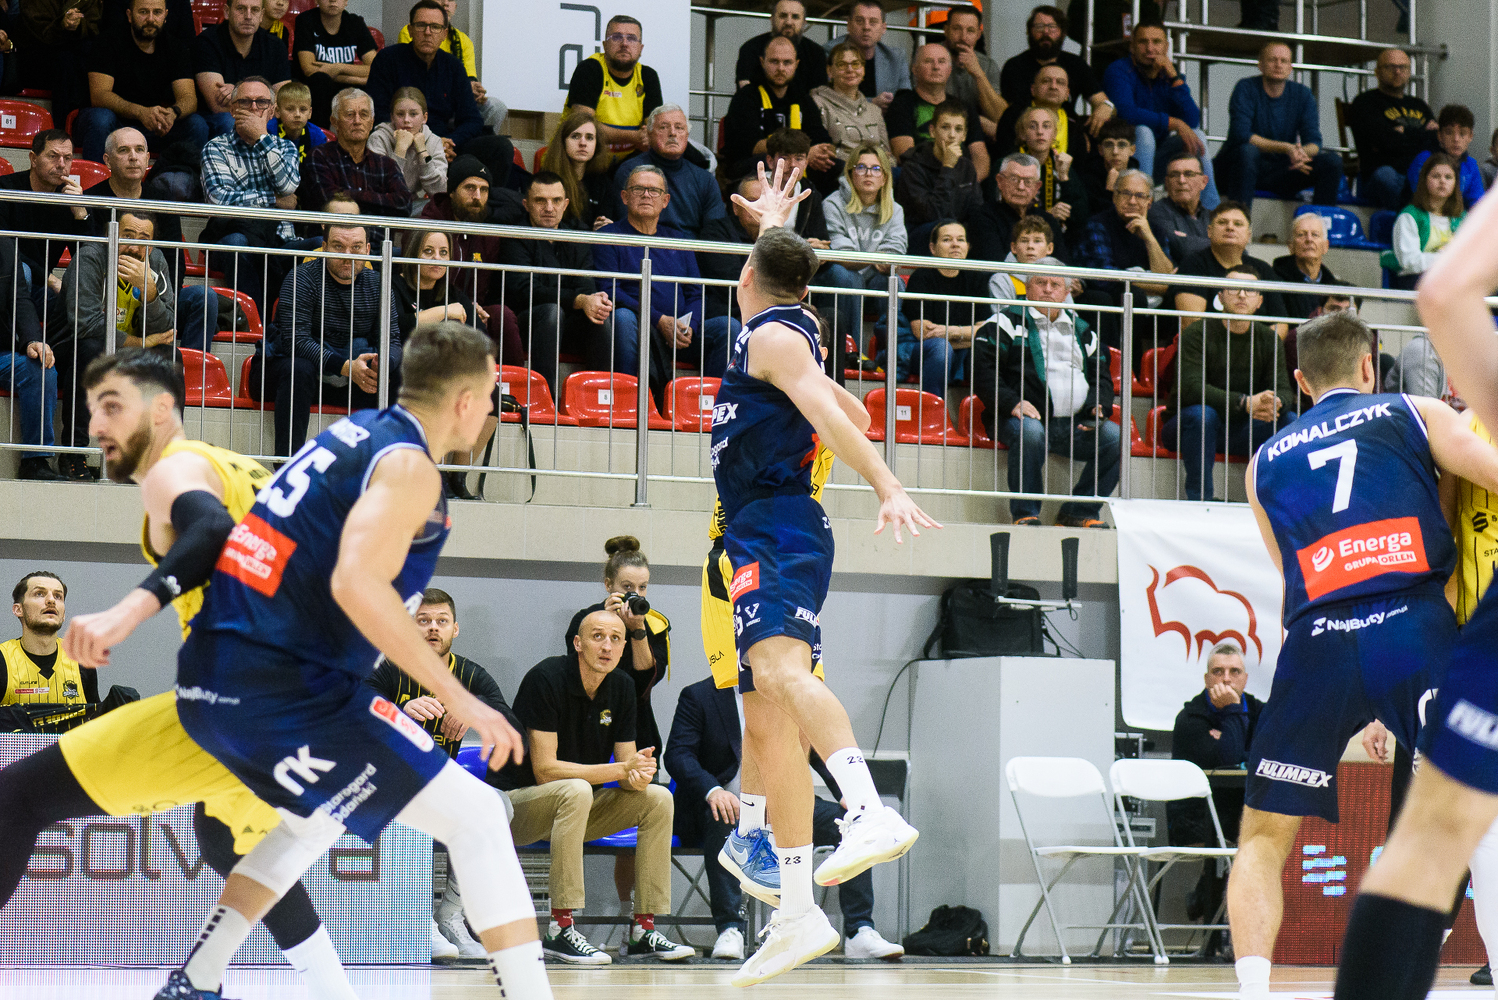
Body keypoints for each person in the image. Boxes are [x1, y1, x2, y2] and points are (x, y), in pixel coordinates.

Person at [147, 323, 555, 1000]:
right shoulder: (410, 467)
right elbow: (357, 583)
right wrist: (461, 697)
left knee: (316, 817)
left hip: (212, 680)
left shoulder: (352, 431)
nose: (494, 410)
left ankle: (198, 977)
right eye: (491, 396)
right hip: (285, 686)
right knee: (481, 816)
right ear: (463, 401)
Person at [0, 350, 361, 1000]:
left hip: (244, 702)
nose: (95, 427)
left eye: (112, 407)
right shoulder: (247, 471)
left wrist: (127, 611)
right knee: (226, 840)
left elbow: (212, 529)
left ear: (163, 408)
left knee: (17, 797)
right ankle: (325, 989)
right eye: (91, 411)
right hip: (308, 704)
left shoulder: (174, 469)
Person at [1230, 308, 1498, 1000]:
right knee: (1477, 807)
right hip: (1411, 622)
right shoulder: (1411, 411)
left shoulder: (1263, 463)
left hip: (1317, 636)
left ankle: (1253, 989)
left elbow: (1289, 574)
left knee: (1262, 838)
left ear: (1300, 381)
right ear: (1370, 365)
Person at [710, 162, 930, 986]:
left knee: (779, 677)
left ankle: (866, 810)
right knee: (766, 722)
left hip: (778, 525)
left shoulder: (774, 338)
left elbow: (845, 425)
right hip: (755, 531)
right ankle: (798, 910)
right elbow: (854, 403)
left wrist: (887, 484)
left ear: (751, 280)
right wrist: (772, 220)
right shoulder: (777, 324)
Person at [492, 609, 693, 965]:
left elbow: (626, 769)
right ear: (578, 643)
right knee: (575, 789)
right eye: (598, 636)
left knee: (658, 798)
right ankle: (560, 929)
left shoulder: (623, 686)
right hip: (517, 809)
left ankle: (643, 930)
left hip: (577, 811)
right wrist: (621, 769)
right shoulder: (546, 678)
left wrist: (639, 774)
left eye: (616, 639)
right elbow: (545, 771)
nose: (607, 646)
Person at [665, 676, 904, 962]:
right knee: (725, 818)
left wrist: (847, 793)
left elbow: (817, 750)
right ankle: (731, 929)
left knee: (848, 822)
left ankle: (859, 930)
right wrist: (713, 790)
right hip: (727, 803)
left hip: (786, 804)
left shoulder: (787, 692)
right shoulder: (699, 695)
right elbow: (678, 754)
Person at [365, 587, 523, 960]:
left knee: (497, 806)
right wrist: (398, 711)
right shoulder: (386, 668)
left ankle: (450, 915)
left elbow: (514, 728)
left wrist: (474, 709)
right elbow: (352, 715)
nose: (433, 628)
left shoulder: (470, 674)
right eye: (423, 621)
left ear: (455, 629)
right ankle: (418, 919)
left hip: (441, 785)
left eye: (441, 621)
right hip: (383, 783)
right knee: (413, 807)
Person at [562, 537, 672, 929]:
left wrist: (636, 629)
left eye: (642, 588)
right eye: (627, 587)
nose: (635, 595)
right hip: (592, 730)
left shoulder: (654, 622)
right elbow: (580, 671)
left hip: (637, 727)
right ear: (609, 585)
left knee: (639, 821)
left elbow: (647, 676)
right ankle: (567, 917)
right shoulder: (587, 620)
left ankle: (637, 919)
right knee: (576, 808)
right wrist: (610, 621)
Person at [244, 217, 411, 455]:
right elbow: (296, 341)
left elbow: (392, 340)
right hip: (287, 373)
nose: (347, 255)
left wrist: (381, 365)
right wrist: (345, 367)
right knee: (299, 369)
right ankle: (288, 465)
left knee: (398, 372)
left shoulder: (378, 285)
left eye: (356, 247)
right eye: (338, 246)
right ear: (324, 248)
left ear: (367, 250)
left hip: (348, 377)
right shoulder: (302, 277)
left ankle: (387, 463)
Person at [973, 264, 1118, 528]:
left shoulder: (1083, 329)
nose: (1048, 290)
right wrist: (1012, 403)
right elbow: (982, 371)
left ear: (1066, 292)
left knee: (1115, 438)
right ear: (1028, 288)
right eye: (1041, 283)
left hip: (1074, 424)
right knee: (1029, 431)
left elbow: (1101, 377)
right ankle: (1025, 512)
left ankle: (1079, 511)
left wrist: (1098, 405)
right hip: (1017, 418)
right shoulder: (1004, 322)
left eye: (1055, 285)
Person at [1160, 269, 1296, 502]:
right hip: (1188, 427)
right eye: (1234, 288)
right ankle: (1200, 500)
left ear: (1259, 301)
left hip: (1241, 430)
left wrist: (1273, 402)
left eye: (1250, 290)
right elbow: (1191, 388)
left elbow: (1284, 390)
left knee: (1289, 420)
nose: (1242, 295)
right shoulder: (1197, 333)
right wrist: (1245, 403)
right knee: (1203, 415)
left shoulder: (1268, 339)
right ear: (1220, 297)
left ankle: (1281, 504)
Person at [593, 165, 718, 388]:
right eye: (638, 189)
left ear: (665, 200)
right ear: (624, 197)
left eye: (654, 191)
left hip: (680, 333)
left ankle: (715, 403)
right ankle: (627, 397)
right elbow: (610, 289)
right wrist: (659, 320)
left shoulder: (678, 240)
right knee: (623, 317)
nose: (646, 195)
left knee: (726, 327)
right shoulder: (608, 236)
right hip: (637, 328)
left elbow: (696, 293)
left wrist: (690, 326)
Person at [366, 0, 514, 188]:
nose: (428, 32)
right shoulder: (388, 59)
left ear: (444, 34)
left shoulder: (453, 66)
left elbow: (472, 119)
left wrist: (448, 143)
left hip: (445, 144)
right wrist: (422, 142)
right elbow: (377, 113)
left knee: (500, 147)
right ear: (410, 30)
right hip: (399, 140)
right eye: (421, 25)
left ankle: (486, 204)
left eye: (435, 27)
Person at [1169, 643, 1263, 926]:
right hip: (1197, 817)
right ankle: (1217, 910)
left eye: (1235, 672)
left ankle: (1214, 899)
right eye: (1218, 672)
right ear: (1207, 679)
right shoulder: (1190, 719)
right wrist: (1233, 711)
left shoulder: (1260, 712)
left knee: (1267, 832)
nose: (1226, 679)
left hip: (1243, 811)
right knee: (1246, 840)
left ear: (1245, 679)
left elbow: (1266, 757)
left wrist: (1232, 746)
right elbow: (1230, 761)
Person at [198, 77, 305, 319]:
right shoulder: (215, 148)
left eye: (262, 102)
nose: (254, 108)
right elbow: (219, 200)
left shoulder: (286, 147)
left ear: (272, 111)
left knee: (320, 246)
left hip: (280, 241)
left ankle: (296, 327)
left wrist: (261, 139)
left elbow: (288, 185)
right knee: (238, 243)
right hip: (234, 237)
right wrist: (273, 200)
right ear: (233, 110)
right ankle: (255, 323)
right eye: (245, 102)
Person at [498, 172, 609, 395]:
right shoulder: (514, 236)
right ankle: (543, 397)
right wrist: (578, 299)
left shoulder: (576, 237)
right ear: (526, 204)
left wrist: (593, 300)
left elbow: (586, 286)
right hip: (527, 323)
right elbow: (524, 290)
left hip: (567, 324)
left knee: (599, 315)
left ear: (565, 204)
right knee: (551, 311)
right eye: (540, 200)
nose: (549, 208)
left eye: (556, 200)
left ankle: (600, 397)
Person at [418, 157, 527, 367]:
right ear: (452, 191)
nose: (477, 196)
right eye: (470, 188)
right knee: (458, 319)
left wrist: (474, 307)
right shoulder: (427, 226)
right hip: (432, 307)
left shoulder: (488, 233)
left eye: (484, 190)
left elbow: (488, 289)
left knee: (502, 316)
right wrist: (463, 306)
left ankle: (515, 382)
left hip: (472, 307)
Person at [1102, 20, 1219, 207]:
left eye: (1156, 42)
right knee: (1143, 132)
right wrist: (1173, 122)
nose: (1150, 48)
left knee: (1197, 135)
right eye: (1143, 42)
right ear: (1132, 47)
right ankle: (1142, 205)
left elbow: (1192, 120)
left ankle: (1211, 211)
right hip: (1124, 163)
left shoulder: (1169, 74)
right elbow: (1127, 113)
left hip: (1158, 162)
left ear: (1166, 47)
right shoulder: (1118, 70)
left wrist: (1175, 77)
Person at [75, 0, 208, 162]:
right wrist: (141, 112)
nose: (150, 19)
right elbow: (99, 96)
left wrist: (172, 114)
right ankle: (96, 176)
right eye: (143, 12)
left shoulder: (176, 47)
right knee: (101, 118)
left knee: (197, 124)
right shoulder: (107, 42)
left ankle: (177, 174)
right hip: (114, 124)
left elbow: (189, 98)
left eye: (157, 12)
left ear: (165, 15)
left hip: (153, 125)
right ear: (129, 15)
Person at [1216, 42, 1341, 211]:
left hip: (1281, 169)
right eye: (1272, 60)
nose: (1278, 65)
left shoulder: (1303, 94)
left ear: (1290, 68)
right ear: (1260, 65)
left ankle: (1319, 222)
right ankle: (1240, 219)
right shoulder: (1245, 87)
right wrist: (1287, 148)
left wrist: (1300, 154)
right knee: (1248, 151)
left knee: (1332, 162)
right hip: (1238, 168)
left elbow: (1314, 142)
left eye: (1284, 61)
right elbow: (1242, 134)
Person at [1072, 168, 1174, 358]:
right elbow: (1104, 277)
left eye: (1140, 196)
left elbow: (1167, 280)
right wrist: (1154, 284)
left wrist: (1149, 239)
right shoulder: (1098, 224)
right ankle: (1124, 366)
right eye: (1126, 193)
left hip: (1139, 299)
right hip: (1098, 294)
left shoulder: (1155, 231)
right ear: (1114, 197)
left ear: (1149, 201)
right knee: (1132, 295)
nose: (1132, 201)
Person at [823, 143, 906, 353]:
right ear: (851, 174)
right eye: (861, 167)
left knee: (894, 282)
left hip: (873, 280)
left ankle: (891, 355)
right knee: (847, 276)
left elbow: (896, 250)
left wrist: (879, 260)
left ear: (884, 177)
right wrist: (877, 258)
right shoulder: (833, 204)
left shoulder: (895, 209)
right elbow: (842, 255)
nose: (869, 174)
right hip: (842, 281)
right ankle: (852, 353)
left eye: (876, 169)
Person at [721, 36, 837, 186]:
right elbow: (752, 145)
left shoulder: (803, 98)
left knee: (835, 166)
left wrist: (823, 151)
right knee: (769, 161)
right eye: (774, 62)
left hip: (796, 161)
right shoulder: (746, 97)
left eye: (787, 62)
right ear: (762, 62)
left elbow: (822, 138)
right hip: (750, 168)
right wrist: (805, 152)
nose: (781, 68)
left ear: (796, 64)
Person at [2, 572, 99, 731]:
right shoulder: (3, 659)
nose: (51, 600)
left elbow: (94, 724)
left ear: (63, 614)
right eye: (39, 594)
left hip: (67, 748)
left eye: (58, 596)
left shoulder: (81, 660)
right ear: (18, 609)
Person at [394, 0, 506, 137]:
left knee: (496, 106)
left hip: (456, 100)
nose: (446, 3)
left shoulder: (463, 40)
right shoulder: (414, 31)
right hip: (422, 100)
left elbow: (470, 77)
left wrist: (475, 89)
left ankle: (466, 140)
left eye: (450, 0)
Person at [1170, 202, 1289, 332]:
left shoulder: (1263, 269)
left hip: (1255, 345)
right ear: (1209, 231)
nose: (1230, 227)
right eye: (1222, 222)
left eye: (1238, 224)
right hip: (1206, 344)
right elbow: (1192, 323)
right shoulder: (1193, 264)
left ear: (1248, 235)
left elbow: (1280, 324)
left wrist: (1262, 344)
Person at [899, 220, 984, 398]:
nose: (955, 244)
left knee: (985, 350)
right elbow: (923, 332)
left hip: (961, 352)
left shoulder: (976, 279)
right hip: (920, 351)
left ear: (967, 246)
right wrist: (967, 336)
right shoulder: (921, 278)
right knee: (940, 347)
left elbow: (985, 332)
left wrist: (949, 332)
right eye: (947, 239)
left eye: (960, 240)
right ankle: (932, 410)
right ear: (933, 248)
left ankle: (980, 412)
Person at [563, 13, 662, 164]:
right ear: (604, 45)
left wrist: (646, 137)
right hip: (582, 161)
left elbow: (652, 131)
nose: (624, 44)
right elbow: (584, 127)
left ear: (640, 48)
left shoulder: (648, 76)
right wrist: (634, 137)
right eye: (616, 37)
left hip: (627, 164)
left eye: (631, 38)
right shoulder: (590, 69)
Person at [614, 105, 726, 238]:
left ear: (687, 135)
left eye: (679, 128)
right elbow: (627, 226)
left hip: (690, 249)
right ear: (649, 134)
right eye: (663, 127)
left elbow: (716, 233)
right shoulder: (630, 171)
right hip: (644, 246)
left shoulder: (705, 180)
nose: (672, 133)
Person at [302, 87, 413, 218]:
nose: (357, 121)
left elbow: (404, 204)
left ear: (371, 123)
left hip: (376, 232)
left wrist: (349, 194)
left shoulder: (386, 164)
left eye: (364, 114)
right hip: (334, 230)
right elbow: (327, 199)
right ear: (334, 122)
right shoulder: (319, 156)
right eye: (350, 115)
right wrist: (380, 200)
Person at [1347, 48, 1436, 210]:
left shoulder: (1419, 105)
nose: (1397, 72)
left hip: (1418, 175)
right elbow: (1385, 141)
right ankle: (1413, 212)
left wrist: (1405, 132)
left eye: (1403, 67)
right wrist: (1422, 135)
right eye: (1390, 67)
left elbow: (1436, 139)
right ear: (1377, 72)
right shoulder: (1365, 102)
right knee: (1386, 176)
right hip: (1383, 179)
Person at [999, 5, 1112, 132]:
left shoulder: (1076, 64)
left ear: (1062, 33)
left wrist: (1105, 107)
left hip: (1068, 128)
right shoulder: (1014, 66)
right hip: (1027, 130)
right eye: (1039, 27)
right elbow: (1006, 112)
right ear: (1029, 31)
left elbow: (1101, 100)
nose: (1046, 32)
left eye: (1052, 27)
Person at [887, 44, 989, 181]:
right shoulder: (901, 105)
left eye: (941, 62)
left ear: (949, 70)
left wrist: (967, 184)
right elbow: (905, 155)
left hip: (962, 182)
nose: (936, 67)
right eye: (928, 61)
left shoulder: (965, 107)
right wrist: (943, 180)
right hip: (921, 182)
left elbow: (980, 157)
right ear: (914, 69)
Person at [0, 237, 57, 483]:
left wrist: (34, 340)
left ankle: (35, 460)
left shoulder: (5, 248)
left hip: (1, 353)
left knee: (40, 368)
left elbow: (21, 301)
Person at [193, 0, 292, 137]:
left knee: (288, 122)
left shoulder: (276, 46)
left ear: (261, 15)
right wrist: (263, 102)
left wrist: (236, 92)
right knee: (229, 121)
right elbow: (217, 105)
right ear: (227, 12)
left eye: (255, 10)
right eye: (241, 8)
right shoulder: (207, 42)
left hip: (262, 117)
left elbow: (284, 101)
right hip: (216, 118)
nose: (248, 16)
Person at [893, 100, 982, 245]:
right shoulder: (913, 166)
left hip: (955, 236)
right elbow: (933, 214)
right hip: (920, 235)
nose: (952, 135)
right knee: (948, 231)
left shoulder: (967, 167)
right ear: (932, 131)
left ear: (964, 135)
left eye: (958, 129)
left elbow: (975, 211)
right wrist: (947, 168)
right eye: (945, 127)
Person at [1380, 152, 1464, 291]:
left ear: (1455, 184)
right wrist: (1447, 259)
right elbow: (1409, 262)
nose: (1442, 181)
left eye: (1448, 177)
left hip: (1454, 280)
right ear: (1424, 180)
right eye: (1436, 176)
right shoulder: (1409, 216)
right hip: (1417, 281)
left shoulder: (1462, 218)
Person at [967, 152, 1064, 263]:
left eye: (1028, 182)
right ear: (1000, 181)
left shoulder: (1047, 220)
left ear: (1037, 187)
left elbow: (1063, 265)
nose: (1020, 187)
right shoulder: (983, 217)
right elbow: (994, 265)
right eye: (1014, 179)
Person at [291, 0, 376, 127]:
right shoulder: (306, 20)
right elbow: (309, 69)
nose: (333, 0)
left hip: (345, 85)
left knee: (376, 85)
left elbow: (376, 68)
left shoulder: (355, 22)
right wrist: (359, 79)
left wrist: (338, 68)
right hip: (315, 88)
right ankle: (320, 135)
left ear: (346, 1)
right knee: (321, 80)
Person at [1012, 105, 1088, 245]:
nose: (1040, 132)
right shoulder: (1010, 166)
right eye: (1033, 126)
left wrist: (1064, 178)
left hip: (1058, 241)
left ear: (1055, 134)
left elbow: (1081, 217)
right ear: (1022, 134)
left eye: (1046, 126)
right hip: (1020, 241)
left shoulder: (1063, 165)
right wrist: (1047, 215)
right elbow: (1005, 214)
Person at [368, 86, 448, 208]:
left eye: (413, 114)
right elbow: (379, 188)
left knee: (441, 208)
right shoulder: (378, 138)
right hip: (382, 205)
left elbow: (439, 191)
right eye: (400, 114)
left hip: (414, 204)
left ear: (424, 118)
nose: (406, 120)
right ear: (392, 117)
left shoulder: (433, 141)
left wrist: (423, 152)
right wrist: (400, 150)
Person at [812, 43, 890, 163]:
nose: (849, 69)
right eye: (841, 64)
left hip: (875, 170)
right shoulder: (817, 104)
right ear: (829, 71)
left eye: (855, 64)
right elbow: (824, 153)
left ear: (863, 70)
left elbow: (887, 154)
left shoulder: (874, 110)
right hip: (839, 170)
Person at [994, 63, 1092, 160]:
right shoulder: (1014, 115)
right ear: (1033, 89)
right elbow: (1004, 156)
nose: (1053, 86)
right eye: (1046, 81)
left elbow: (1079, 165)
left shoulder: (1074, 123)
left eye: (1060, 82)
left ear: (1067, 93)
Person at [822, 0, 907, 109]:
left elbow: (906, 98)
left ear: (883, 28)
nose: (866, 27)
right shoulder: (828, 53)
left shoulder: (896, 57)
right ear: (849, 25)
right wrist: (870, 103)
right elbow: (824, 96)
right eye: (859, 21)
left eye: (873, 22)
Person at [541, 109, 616, 230]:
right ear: (563, 142)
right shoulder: (546, 180)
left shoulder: (603, 183)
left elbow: (607, 217)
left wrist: (605, 226)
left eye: (589, 138)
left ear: (596, 144)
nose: (583, 143)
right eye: (575, 136)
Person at [1407, 104, 1485, 214]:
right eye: (1449, 133)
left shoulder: (1471, 165)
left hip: (1455, 217)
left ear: (1470, 136)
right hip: (1422, 215)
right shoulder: (1424, 159)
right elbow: (1421, 196)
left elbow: (1477, 204)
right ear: (1439, 135)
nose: (1456, 139)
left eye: (1462, 134)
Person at [735, 0, 826, 93]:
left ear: (804, 22)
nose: (788, 22)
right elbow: (745, 91)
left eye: (795, 17)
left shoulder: (816, 53)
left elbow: (820, 95)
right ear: (772, 19)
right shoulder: (751, 49)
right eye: (783, 16)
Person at [940, 5, 1006, 127]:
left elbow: (1000, 116)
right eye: (957, 29)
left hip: (978, 134)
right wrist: (976, 119)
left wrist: (979, 74)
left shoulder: (988, 65)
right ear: (946, 30)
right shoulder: (931, 57)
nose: (963, 37)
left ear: (978, 34)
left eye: (970, 31)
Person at [1271, 213, 1346, 320]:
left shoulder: (1334, 287)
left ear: (1325, 246)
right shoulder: (1274, 280)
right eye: (1301, 235)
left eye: (1315, 235)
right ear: (1291, 246)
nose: (1309, 239)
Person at [1147, 152, 1211, 262]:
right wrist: (1221, 244)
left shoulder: (1212, 217)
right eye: (1174, 175)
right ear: (1166, 183)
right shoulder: (1156, 212)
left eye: (1189, 174)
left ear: (1203, 182)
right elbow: (1183, 249)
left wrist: (1187, 239)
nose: (1181, 181)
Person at [1076, 117, 1138, 211]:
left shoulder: (1138, 178)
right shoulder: (1088, 180)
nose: (1115, 152)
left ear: (1132, 150)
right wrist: (1109, 191)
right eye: (1109, 145)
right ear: (1100, 150)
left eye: (1122, 145)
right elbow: (1095, 217)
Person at [268, 80, 331, 163]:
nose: (297, 114)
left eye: (303, 109)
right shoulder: (267, 131)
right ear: (277, 111)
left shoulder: (317, 136)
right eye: (290, 109)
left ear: (310, 113)